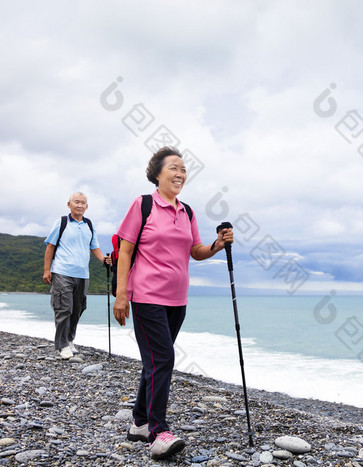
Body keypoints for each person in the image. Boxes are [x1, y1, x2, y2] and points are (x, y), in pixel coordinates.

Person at [113, 147, 233, 460]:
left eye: (183, 169)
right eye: (173, 168)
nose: (180, 173)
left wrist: (217, 246)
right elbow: (125, 252)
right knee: (163, 359)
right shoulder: (144, 205)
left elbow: (195, 251)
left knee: (155, 362)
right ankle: (158, 432)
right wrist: (121, 295)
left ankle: (139, 422)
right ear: (157, 173)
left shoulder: (188, 211)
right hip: (146, 296)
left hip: (177, 301)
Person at [43, 192, 111, 360]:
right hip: (62, 272)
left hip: (82, 274)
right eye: (76, 202)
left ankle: (70, 339)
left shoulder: (89, 224)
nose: (80, 205)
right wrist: (47, 269)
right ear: (69, 204)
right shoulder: (61, 222)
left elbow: (94, 246)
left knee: (78, 309)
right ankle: (62, 345)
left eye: (83, 203)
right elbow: (50, 247)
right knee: (63, 308)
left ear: (86, 207)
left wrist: (103, 259)